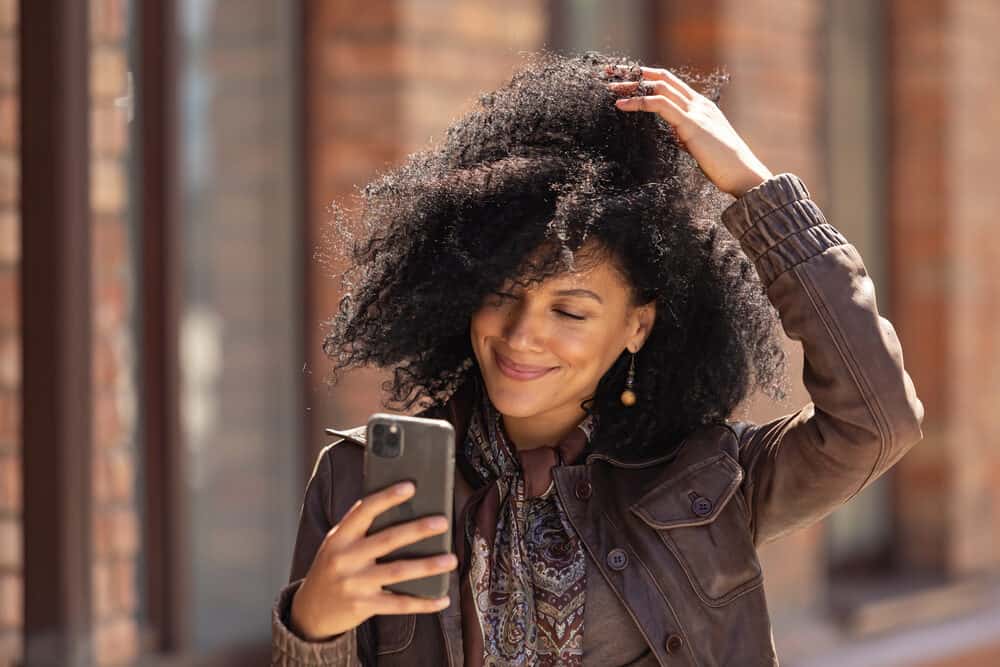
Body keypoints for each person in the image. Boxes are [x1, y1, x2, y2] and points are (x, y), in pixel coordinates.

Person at [270, 51, 924, 666]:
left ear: (637, 325)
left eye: (570, 311)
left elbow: (876, 420)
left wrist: (759, 192)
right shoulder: (359, 479)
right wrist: (312, 623)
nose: (522, 334)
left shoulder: (707, 482)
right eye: (501, 295)